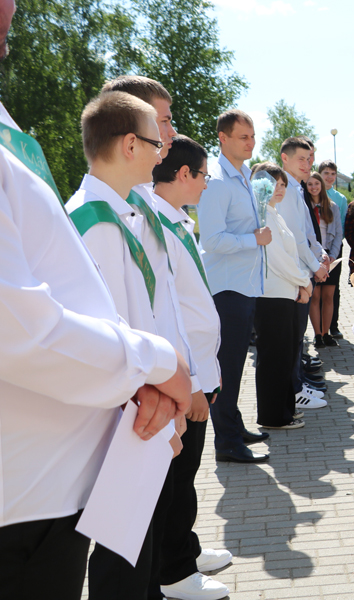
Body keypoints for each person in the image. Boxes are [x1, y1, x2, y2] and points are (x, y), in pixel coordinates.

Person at [0, 10, 191, 593]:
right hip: (25, 501)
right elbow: (22, 330)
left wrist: (146, 380)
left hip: (55, 488)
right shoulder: (98, 215)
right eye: (158, 137)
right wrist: (155, 368)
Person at [65, 90, 196, 600]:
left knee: (140, 549)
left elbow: (149, 314)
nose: (164, 145)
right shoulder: (94, 220)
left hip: (147, 406)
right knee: (122, 556)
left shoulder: (123, 212)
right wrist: (160, 399)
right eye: (153, 137)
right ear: (127, 145)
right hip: (129, 414)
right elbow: (109, 332)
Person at [151, 135, 236, 599]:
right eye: (203, 175)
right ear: (184, 174)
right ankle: (176, 572)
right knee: (176, 477)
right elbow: (172, 312)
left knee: (186, 475)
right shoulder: (157, 224)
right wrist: (195, 381)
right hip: (186, 375)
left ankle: (184, 545)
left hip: (201, 368)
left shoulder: (178, 219)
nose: (206, 184)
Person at [196, 110, 271, 463]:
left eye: (252, 136)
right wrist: (253, 239)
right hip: (227, 288)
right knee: (226, 366)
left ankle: (233, 425)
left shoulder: (243, 177)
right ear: (223, 139)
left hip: (245, 286)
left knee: (236, 363)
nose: (250, 142)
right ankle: (225, 441)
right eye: (243, 136)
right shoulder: (217, 183)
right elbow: (211, 240)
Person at [249, 162, 314, 430]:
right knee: (274, 358)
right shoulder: (263, 214)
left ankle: (285, 409)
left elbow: (291, 255)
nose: (279, 188)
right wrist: (305, 282)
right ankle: (272, 416)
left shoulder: (275, 214)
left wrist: (301, 283)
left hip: (285, 294)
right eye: (273, 183)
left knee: (285, 355)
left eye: (283, 184)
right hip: (272, 296)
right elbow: (278, 260)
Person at [277, 137, 329, 405]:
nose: (308, 164)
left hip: (303, 271)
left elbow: (309, 233)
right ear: (285, 158)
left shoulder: (297, 189)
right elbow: (294, 238)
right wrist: (315, 266)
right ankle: (294, 390)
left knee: (298, 337)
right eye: (302, 159)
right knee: (292, 337)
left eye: (310, 159)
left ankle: (297, 384)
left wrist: (320, 254)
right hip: (292, 275)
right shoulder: (284, 190)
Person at [306, 172, 343, 348]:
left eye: (316, 184)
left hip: (331, 255)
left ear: (321, 185)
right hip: (312, 256)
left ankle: (327, 333)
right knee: (315, 296)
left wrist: (332, 257)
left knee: (329, 296)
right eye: (310, 184)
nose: (313, 187)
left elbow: (338, 234)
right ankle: (317, 335)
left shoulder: (332, 207)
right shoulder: (304, 206)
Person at [318, 160, 349, 340]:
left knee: (333, 288)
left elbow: (342, 226)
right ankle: (319, 328)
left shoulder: (340, 199)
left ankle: (333, 326)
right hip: (316, 249)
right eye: (326, 173)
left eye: (333, 174)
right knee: (317, 289)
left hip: (335, 248)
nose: (329, 177)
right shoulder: (312, 192)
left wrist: (333, 250)